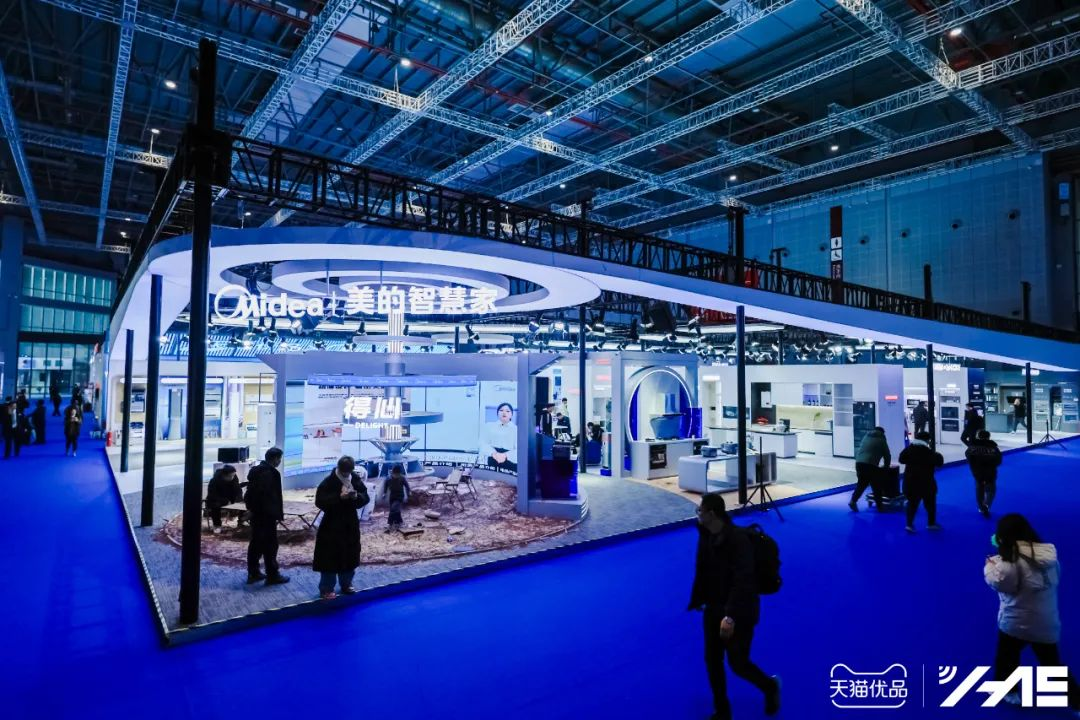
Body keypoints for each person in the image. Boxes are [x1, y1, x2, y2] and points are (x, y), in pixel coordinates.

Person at [689, 493, 781, 720]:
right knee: (712, 661)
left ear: (712, 514)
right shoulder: (705, 534)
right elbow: (703, 569)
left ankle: (770, 686)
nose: (697, 514)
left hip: (740, 611)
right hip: (713, 607)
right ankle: (722, 711)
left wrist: (730, 616)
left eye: (700, 511)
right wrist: (700, 598)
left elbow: (744, 581)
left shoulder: (738, 541)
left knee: (738, 663)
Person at [984, 514, 1080, 711]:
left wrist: (991, 567)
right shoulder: (1049, 556)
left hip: (1016, 622)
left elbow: (1001, 583)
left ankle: (1008, 691)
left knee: (1006, 656)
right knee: (1052, 664)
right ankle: (1077, 702)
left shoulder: (1010, 563)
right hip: (1046, 622)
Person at [313, 456, 369, 600]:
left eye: (348, 471)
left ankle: (346, 584)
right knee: (329, 558)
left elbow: (365, 497)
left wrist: (356, 497)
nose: (346, 474)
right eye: (344, 471)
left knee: (350, 555)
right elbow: (319, 501)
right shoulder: (328, 481)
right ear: (338, 468)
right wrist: (339, 498)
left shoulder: (355, 479)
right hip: (331, 525)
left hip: (350, 524)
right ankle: (326, 588)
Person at [244, 447, 289, 585]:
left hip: (258, 514)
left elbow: (251, 494)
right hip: (266, 515)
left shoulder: (257, 471)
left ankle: (254, 572)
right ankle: (272, 575)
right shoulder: (269, 474)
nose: (280, 461)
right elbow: (264, 496)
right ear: (275, 459)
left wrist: (251, 510)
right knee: (270, 546)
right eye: (279, 459)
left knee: (256, 544)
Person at [899, 431, 944, 533]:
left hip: (910, 482)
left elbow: (901, 459)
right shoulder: (929, 452)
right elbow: (939, 462)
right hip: (926, 483)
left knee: (912, 504)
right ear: (927, 440)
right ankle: (931, 523)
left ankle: (909, 525)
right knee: (930, 504)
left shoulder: (909, 449)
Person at [849, 426, 891, 511]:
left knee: (861, 484)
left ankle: (853, 501)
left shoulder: (866, 436)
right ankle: (880, 507)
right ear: (882, 433)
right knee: (877, 486)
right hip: (870, 465)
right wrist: (886, 467)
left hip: (859, 463)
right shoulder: (881, 439)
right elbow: (887, 455)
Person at [966, 430, 1002, 517]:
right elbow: (998, 460)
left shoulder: (972, 447)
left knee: (979, 488)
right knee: (991, 490)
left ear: (978, 437)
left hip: (977, 472)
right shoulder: (993, 448)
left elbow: (968, 456)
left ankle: (981, 507)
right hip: (990, 472)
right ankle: (986, 505)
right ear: (988, 437)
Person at [481, 402, 518, 473]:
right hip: (493, 457)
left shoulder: (516, 429)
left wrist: (505, 455)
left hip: (510, 460)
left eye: (507, 411)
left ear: (511, 415)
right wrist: (494, 453)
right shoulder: (489, 426)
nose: (504, 413)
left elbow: (519, 449)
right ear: (497, 413)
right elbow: (483, 443)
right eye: (501, 410)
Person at [205, 465, 243, 533]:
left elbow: (238, 490)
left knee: (244, 503)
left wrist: (239, 499)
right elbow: (212, 495)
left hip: (230, 497)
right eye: (230, 476)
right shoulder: (214, 481)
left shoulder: (234, 478)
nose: (232, 477)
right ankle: (217, 525)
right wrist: (225, 501)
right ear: (223, 475)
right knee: (215, 506)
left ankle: (241, 523)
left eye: (233, 475)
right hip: (217, 499)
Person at [380, 464, 410, 532]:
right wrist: (384, 493)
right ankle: (399, 521)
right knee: (395, 509)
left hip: (400, 496)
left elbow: (407, 486)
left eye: (398, 474)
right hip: (392, 496)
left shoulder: (402, 478)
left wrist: (409, 493)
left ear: (400, 473)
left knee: (393, 509)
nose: (396, 476)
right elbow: (386, 485)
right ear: (392, 473)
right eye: (395, 474)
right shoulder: (388, 478)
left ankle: (390, 524)